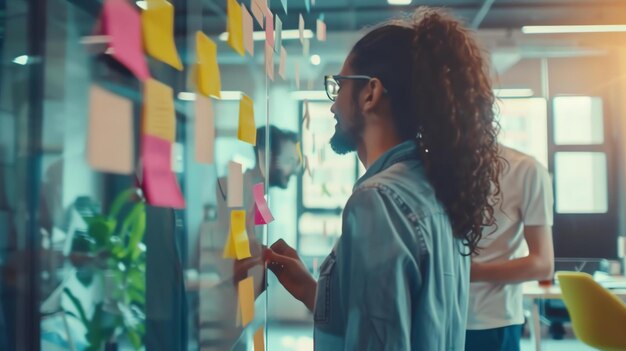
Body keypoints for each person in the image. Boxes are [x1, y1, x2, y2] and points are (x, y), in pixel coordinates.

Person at [264, 7, 503, 350]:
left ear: (370, 93)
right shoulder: (432, 185)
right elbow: (402, 322)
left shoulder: (378, 200)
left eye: (339, 85)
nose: (332, 106)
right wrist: (309, 290)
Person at [195, 125, 299, 351]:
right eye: (289, 160)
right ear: (267, 155)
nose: (294, 169)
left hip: (243, 301)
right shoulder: (235, 185)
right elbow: (234, 246)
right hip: (224, 300)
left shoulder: (258, 192)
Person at [465, 145, 554, 351]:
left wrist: (468, 272)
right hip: (432, 318)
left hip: (492, 321)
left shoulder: (526, 169)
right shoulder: (427, 166)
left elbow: (542, 265)